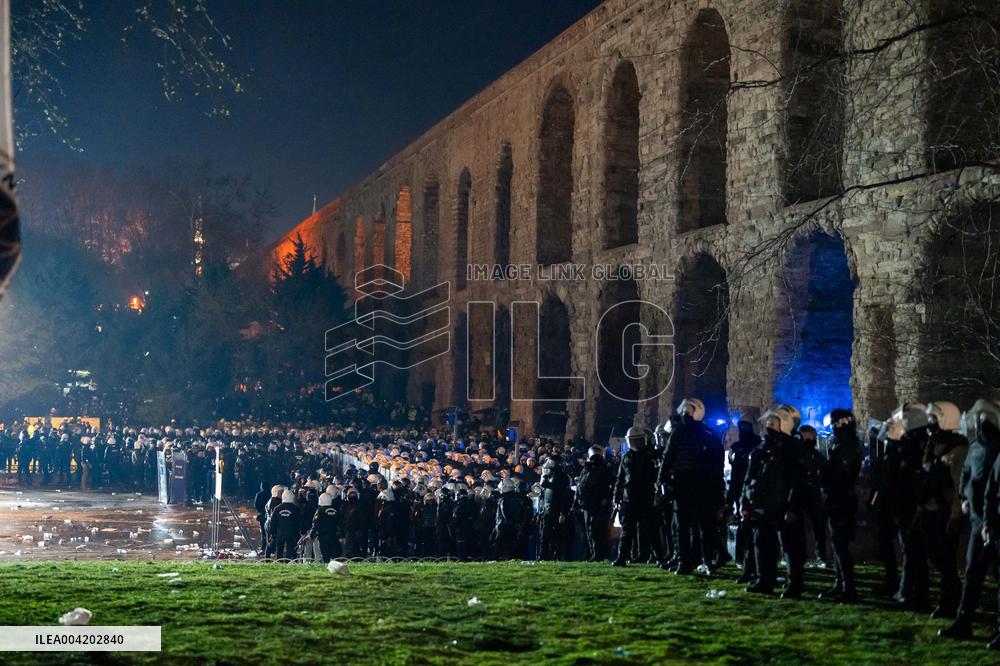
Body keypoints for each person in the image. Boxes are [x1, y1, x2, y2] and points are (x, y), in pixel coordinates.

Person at [939, 399, 1000, 642]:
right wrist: (964, 497)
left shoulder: (998, 448)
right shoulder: (975, 448)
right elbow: (966, 474)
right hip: (978, 522)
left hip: (994, 522)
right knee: (973, 575)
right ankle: (964, 622)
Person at [660, 398, 724, 574]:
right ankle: (706, 562)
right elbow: (717, 463)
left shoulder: (678, 432)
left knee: (683, 526)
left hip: (683, 484)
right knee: (704, 526)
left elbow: (668, 456)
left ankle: (685, 562)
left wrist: (662, 479)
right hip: (702, 484)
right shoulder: (708, 433)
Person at [741, 408, 801, 596]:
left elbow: (796, 480)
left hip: (781, 504)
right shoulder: (760, 448)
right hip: (760, 504)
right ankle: (764, 580)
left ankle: (795, 584)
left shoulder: (792, 447)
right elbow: (750, 476)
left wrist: (791, 507)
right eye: (768, 423)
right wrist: (745, 501)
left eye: (773, 423)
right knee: (762, 544)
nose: (769, 426)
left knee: (789, 547)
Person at [920, 401, 968, 618]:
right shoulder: (933, 444)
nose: (930, 424)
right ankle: (950, 598)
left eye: (934, 420)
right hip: (931, 509)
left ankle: (949, 602)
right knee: (937, 557)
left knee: (947, 561)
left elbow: (960, 486)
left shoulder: (957, 449)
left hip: (946, 511)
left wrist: (955, 515)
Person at [819, 408, 863, 602]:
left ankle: (849, 588)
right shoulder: (843, 446)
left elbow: (842, 478)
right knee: (837, 546)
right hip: (836, 500)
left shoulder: (847, 448)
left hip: (841, 501)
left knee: (841, 546)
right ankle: (840, 584)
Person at [612, 426, 657, 567]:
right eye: (634, 441)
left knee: (648, 529)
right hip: (629, 498)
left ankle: (651, 556)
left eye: (638, 440)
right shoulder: (627, 457)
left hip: (645, 497)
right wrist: (617, 497)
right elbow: (620, 479)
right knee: (627, 531)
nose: (636, 443)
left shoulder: (650, 456)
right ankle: (622, 557)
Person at [728, 419, 760, 583]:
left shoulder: (758, 447)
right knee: (746, 531)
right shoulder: (737, 448)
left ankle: (754, 569)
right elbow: (735, 477)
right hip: (744, 495)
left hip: (756, 495)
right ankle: (748, 566)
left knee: (753, 534)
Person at [575, 445, 613, 561]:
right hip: (589, 504)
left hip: (596, 504)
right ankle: (595, 554)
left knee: (596, 530)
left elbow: (611, 485)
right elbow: (581, 486)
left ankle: (599, 554)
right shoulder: (588, 469)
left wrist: (606, 499)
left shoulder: (601, 468)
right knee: (591, 530)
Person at [538, 455, 572, 560]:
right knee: (544, 535)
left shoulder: (562, 477)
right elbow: (544, 491)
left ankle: (555, 556)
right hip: (548, 509)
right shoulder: (549, 475)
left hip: (556, 509)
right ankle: (543, 556)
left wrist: (562, 512)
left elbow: (564, 496)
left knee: (557, 535)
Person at [266, 489, 302, 561]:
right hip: (292, 533)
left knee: (279, 549)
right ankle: (288, 562)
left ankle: (279, 562)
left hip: (280, 533)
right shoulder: (296, 509)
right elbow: (299, 522)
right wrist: (300, 532)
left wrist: (271, 533)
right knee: (290, 549)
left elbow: (273, 522)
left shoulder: (277, 508)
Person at [311, 492, 341, 562]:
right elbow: (340, 523)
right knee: (335, 554)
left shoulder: (319, 510)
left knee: (325, 554)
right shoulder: (335, 510)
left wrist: (312, 534)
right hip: (334, 535)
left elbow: (315, 523)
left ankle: (326, 567)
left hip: (323, 536)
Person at [253, 482, 270, 551]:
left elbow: (256, 505)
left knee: (263, 532)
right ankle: (271, 547)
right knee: (271, 531)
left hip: (263, 515)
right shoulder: (271, 494)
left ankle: (264, 547)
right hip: (270, 516)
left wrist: (260, 511)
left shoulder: (259, 494)